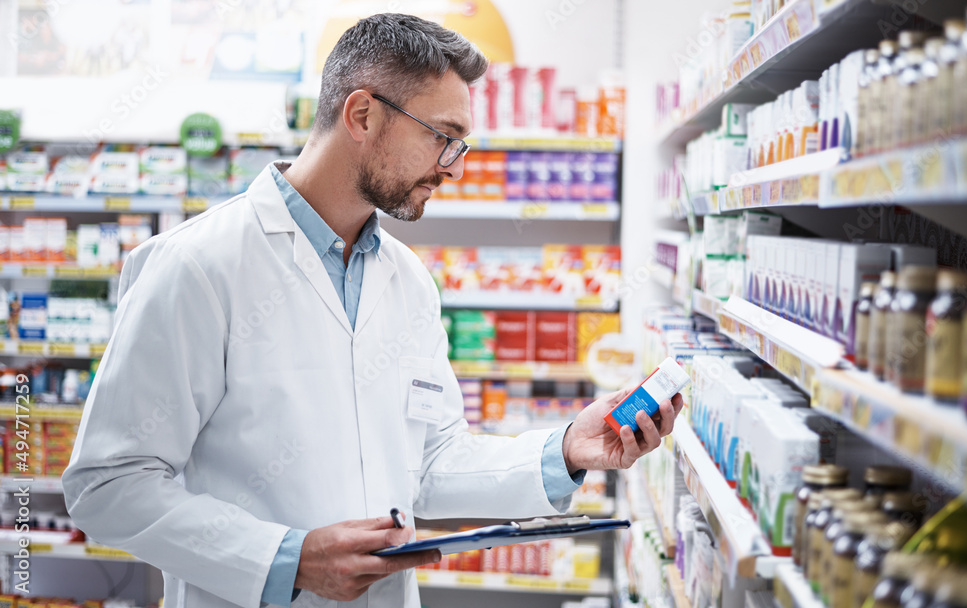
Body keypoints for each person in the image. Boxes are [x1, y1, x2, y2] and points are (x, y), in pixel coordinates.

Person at [63, 13, 684, 608]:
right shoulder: (197, 266)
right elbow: (107, 484)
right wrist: (287, 558)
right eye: (443, 139)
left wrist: (569, 449)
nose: (453, 168)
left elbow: (430, 463)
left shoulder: (408, 281)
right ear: (361, 114)